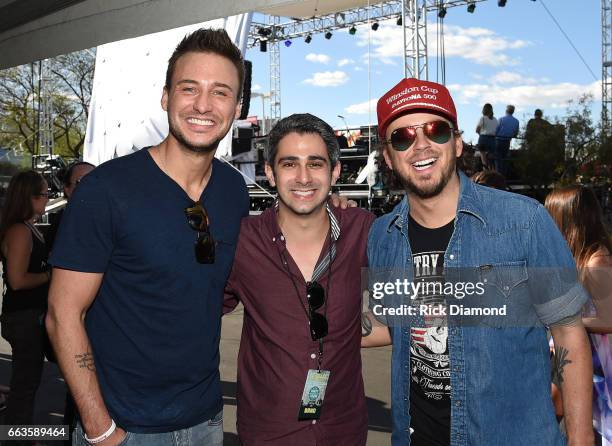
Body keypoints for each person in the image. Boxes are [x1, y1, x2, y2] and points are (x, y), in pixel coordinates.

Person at [46, 28, 249, 446]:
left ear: (237, 107)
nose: (203, 105)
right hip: (122, 428)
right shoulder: (105, 190)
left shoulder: (234, 192)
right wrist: (100, 428)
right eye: (189, 88)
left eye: (220, 92)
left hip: (207, 420)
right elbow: (62, 314)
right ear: (165, 96)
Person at [365, 77, 594, 445]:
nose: (420, 144)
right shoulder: (382, 236)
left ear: (456, 143)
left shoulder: (525, 222)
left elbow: (570, 335)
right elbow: (396, 325)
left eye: (435, 130)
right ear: (389, 156)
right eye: (403, 137)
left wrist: (582, 441)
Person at [223, 113, 375, 445]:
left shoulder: (363, 232)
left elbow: (418, 307)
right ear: (270, 173)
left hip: (343, 430)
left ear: (334, 172)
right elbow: (188, 308)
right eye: (290, 164)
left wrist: (351, 328)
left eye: (316, 164)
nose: (303, 177)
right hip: (268, 432)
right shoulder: (242, 241)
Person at [545, 185, 612, 444]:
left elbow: (608, 320)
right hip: (577, 357)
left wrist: (564, 321)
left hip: (598, 365)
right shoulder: (576, 257)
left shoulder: (597, 259)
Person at [0, 170, 51, 427]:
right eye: (44, 194)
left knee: (28, 383)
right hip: (23, 317)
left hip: (27, 315)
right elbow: (18, 280)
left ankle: (21, 435)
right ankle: (16, 438)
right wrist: (49, 276)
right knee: (24, 385)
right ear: (28, 197)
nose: (47, 199)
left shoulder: (28, 226)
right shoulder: (20, 231)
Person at [46, 161, 95, 251]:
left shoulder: (106, 219)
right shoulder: (63, 225)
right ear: (67, 189)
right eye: (81, 181)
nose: (90, 186)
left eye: (95, 181)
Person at [494, 104, 519, 176]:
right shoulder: (516, 121)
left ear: (506, 111)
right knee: (505, 160)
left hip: (499, 140)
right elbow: (515, 133)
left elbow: (496, 130)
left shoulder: (501, 119)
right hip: (508, 141)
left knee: (497, 159)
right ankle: (503, 176)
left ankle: (497, 176)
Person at [475, 103, 498, 169]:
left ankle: (485, 171)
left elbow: (477, 130)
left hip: (483, 138)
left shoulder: (483, 118)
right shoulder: (495, 120)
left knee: (483, 156)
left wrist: (481, 133)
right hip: (492, 139)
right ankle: (492, 172)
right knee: (491, 159)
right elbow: (496, 130)